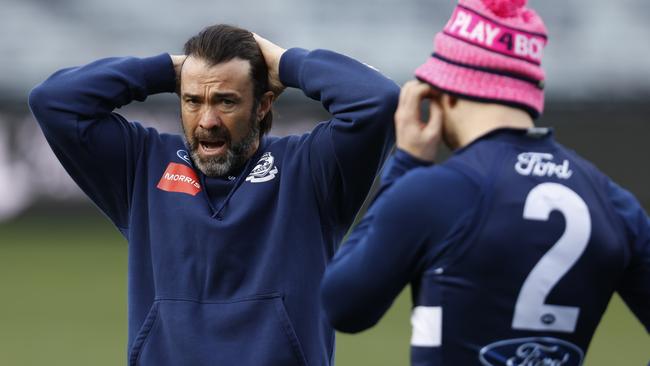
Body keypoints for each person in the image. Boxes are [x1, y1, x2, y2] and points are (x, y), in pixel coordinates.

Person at [28, 24, 398, 365]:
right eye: (192, 101)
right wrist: (168, 69)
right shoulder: (141, 163)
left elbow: (377, 100)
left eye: (226, 101)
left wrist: (285, 62)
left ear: (263, 105)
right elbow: (54, 101)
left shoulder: (311, 169)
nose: (207, 120)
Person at [320, 0, 650, 365]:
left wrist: (407, 163)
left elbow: (343, 305)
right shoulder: (613, 202)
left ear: (446, 89)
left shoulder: (435, 191)